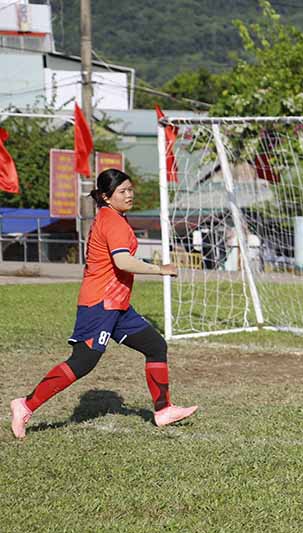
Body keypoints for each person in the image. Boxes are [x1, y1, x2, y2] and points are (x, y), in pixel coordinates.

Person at [9, 169, 198, 439]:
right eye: (122, 191)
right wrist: (161, 269)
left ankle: (163, 409)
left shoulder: (113, 218)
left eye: (131, 189)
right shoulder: (113, 222)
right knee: (83, 362)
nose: (129, 194)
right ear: (107, 197)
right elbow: (122, 261)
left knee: (155, 346)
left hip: (118, 304)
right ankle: (25, 405)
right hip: (100, 304)